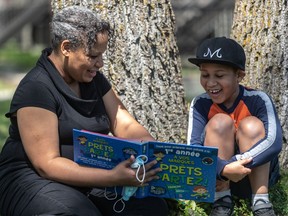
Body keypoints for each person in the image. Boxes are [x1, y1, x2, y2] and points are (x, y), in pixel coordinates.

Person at [0, 6, 168, 216]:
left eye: (102, 55)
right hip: (33, 179)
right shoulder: (36, 88)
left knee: (151, 208)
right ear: (66, 48)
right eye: (92, 56)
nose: (100, 63)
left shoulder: (93, 79)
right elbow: (46, 164)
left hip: (90, 175)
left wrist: (156, 153)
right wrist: (112, 178)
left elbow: (122, 122)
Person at [187, 37, 282, 216]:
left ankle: (261, 201)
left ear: (239, 75)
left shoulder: (258, 99)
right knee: (220, 122)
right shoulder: (200, 103)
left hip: (253, 173)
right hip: (218, 177)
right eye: (205, 75)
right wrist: (222, 170)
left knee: (251, 125)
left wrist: (233, 164)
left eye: (220, 75)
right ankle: (221, 199)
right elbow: (194, 151)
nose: (210, 83)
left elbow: (274, 142)